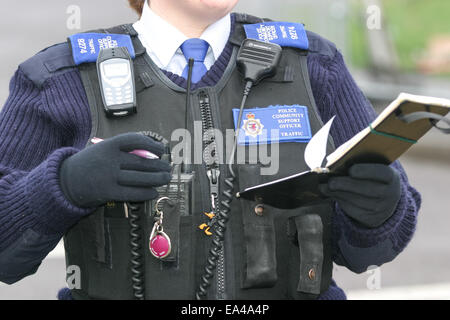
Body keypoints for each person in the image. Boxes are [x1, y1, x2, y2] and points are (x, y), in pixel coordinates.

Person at [0, 0, 421, 300]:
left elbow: (375, 250)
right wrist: (65, 185)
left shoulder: (314, 66)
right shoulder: (58, 81)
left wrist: (379, 209)